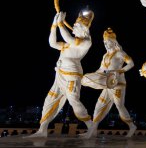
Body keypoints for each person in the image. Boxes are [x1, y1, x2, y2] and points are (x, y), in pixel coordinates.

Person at [25, 10, 95, 138]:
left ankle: (91, 126)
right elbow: (52, 43)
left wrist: (61, 24)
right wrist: (54, 24)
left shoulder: (86, 41)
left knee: (74, 102)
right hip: (60, 76)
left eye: (76, 25)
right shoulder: (68, 44)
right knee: (49, 100)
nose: (73, 26)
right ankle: (43, 129)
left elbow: (68, 37)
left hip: (71, 77)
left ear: (83, 29)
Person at [82, 28, 137, 138]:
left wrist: (119, 71)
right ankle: (92, 131)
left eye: (108, 42)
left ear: (113, 42)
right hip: (107, 84)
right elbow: (101, 69)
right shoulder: (105, 56)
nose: (106, 45)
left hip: (118, 84)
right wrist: (92, 76)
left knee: (119, 106)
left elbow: (131, 64)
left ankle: (132, 126)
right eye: (105, 43)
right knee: (99, 106)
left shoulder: (120, 53)